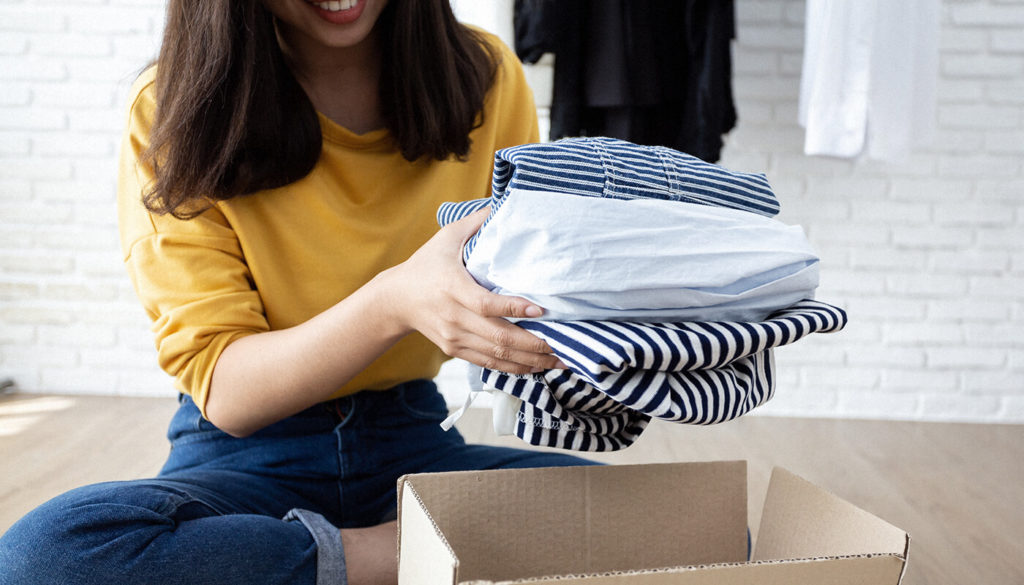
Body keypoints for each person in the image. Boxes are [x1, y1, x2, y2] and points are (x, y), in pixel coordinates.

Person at [0, 1, 593, 583]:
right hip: (244, 457)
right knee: (47, 554)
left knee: (628, 508)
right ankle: (402, 556)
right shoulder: (171, 108)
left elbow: (526, 290)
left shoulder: (487, 76)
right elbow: (228, 392)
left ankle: (301, 563)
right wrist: (394, 301)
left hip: (412, 437)